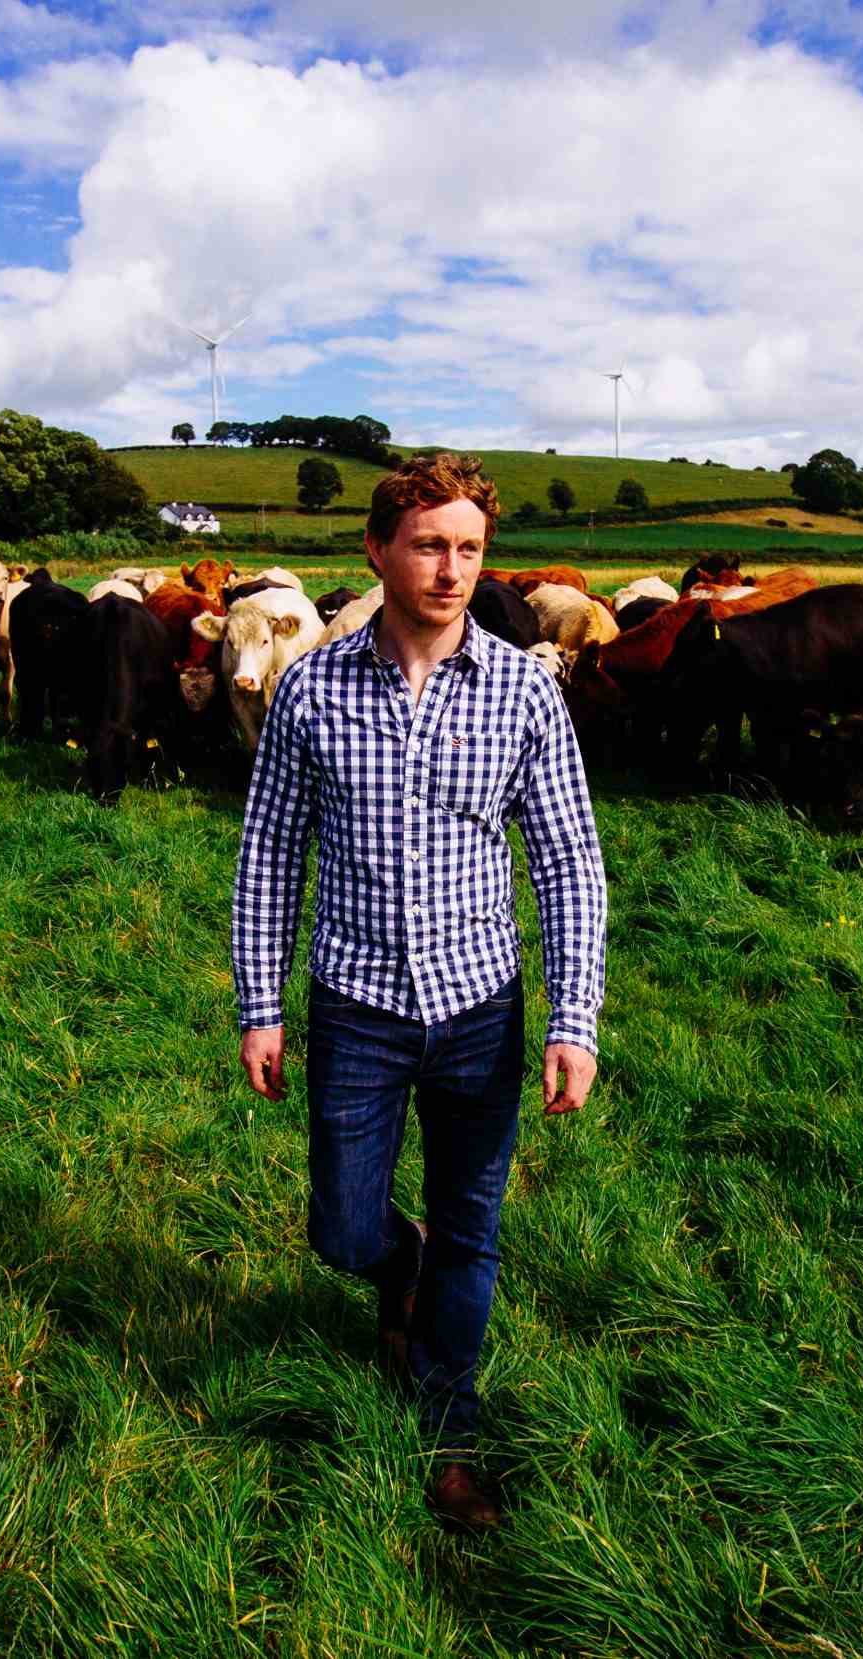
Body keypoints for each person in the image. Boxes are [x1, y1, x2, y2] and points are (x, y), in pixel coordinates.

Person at [230, 451, 608, 1532]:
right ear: (379, 551)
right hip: (355, 1003)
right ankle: (399, 1273)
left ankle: (449, 1428)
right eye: (430, 545)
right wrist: (261, 1003)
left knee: (473, 1222)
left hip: (481, 1009)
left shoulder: (525, 692)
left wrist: (572, 1018)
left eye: (470, 549)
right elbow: (267, 855)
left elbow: (569, 861)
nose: (451, 570)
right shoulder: (311, 686)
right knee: (343, 1234)